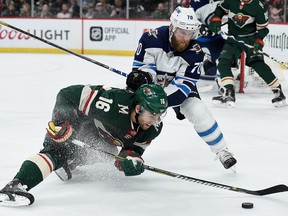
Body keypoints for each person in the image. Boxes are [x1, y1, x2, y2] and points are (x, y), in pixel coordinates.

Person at [0, 83, 168, 206]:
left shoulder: (153, 128)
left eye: (160, 115)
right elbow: (68, 94)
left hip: (99, 132)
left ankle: (69, 163)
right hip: (78, 121)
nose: (155, 121)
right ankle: (15, 186)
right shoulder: (112, 104)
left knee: (107, 152)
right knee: (56, 151)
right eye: (152, 115)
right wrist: (62, 122)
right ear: (138, 108)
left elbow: (132, 150)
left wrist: (130, 160)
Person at [126, 6, 237, 171]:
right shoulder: (150, 39)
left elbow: (182, 87)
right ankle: (125, 147)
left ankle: (222, 150)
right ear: (172, 28)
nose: (186, 38)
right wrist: (143, 77)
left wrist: (158, 100)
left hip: (176, 88)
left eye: (189, 33)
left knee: (197, 109)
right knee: (129, 107)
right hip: (152, 85)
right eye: (182, 32)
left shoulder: (196, 52)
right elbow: (144, 67)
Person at [208, 0, 287, 107]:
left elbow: (263, 29)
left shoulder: (258, 7)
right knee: (223, 61)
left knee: (258, 64)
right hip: (233, 39)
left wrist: (259, 40)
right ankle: (229, 93)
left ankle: (278, 92)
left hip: (251, 39)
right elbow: (221, 8)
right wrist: (217, 18)